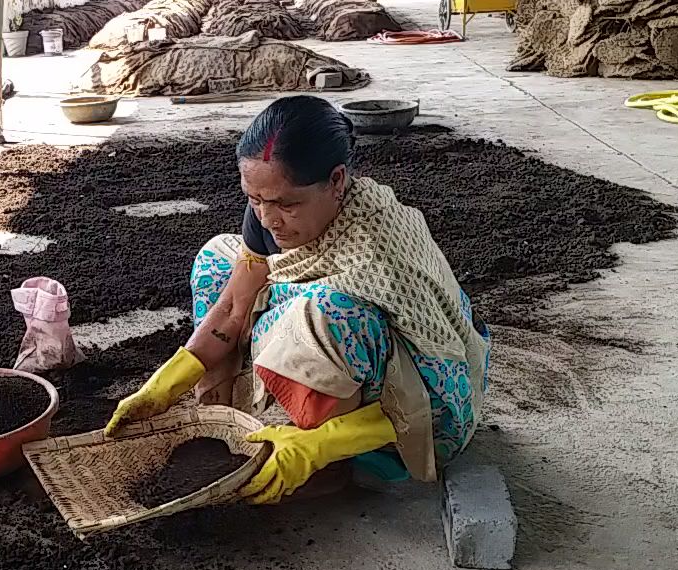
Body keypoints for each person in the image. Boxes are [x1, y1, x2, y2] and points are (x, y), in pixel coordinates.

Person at [105, 96, 491, 504]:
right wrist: (168, 381)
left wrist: (319, 445)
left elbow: (441, 398)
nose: (269, 219)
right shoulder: (270, 209)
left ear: (337, 180)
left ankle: (333, 464)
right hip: (347, 333)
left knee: (321, 315)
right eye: (255, 199)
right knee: (218, 257)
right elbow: (236, 303)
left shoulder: (381, 251)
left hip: (413, 412)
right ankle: (224, 414)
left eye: (287, 204)